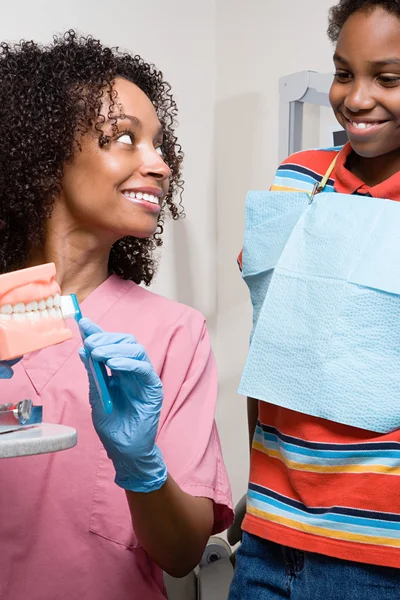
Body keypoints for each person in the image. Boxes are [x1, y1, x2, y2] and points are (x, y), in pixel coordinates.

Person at [0, 31, 233, 600]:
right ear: (47, 148)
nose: (159, 164)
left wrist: (142, 467)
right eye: (124, 139)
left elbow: (180, 557)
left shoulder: (175, 334)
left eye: (159, 144)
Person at [229, 1, 400, 598]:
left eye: (389, 78)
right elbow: (270, 347)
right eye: (344, 72)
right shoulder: (297, 179)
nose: (356, 98)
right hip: (269, 535)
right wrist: (256, 488)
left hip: (379, 554)